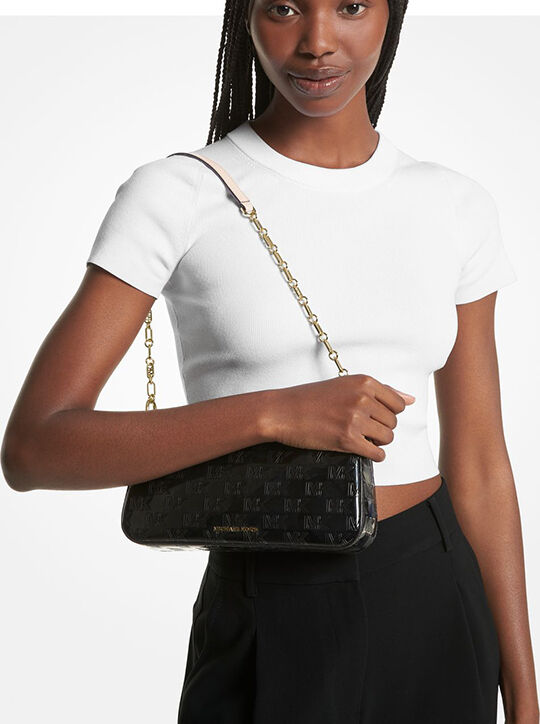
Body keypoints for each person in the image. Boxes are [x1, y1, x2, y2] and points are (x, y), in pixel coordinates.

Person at [2, 0, 538, 722]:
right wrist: (276, 414)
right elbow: (34, 448)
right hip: (268, 592)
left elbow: (481, 463)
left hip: (434, 587)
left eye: (351, 6)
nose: (317, 41)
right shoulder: (179, 193)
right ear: (246, 18)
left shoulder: (454, 204)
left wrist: (525, 693)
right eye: (284, 7)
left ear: (392, 13)